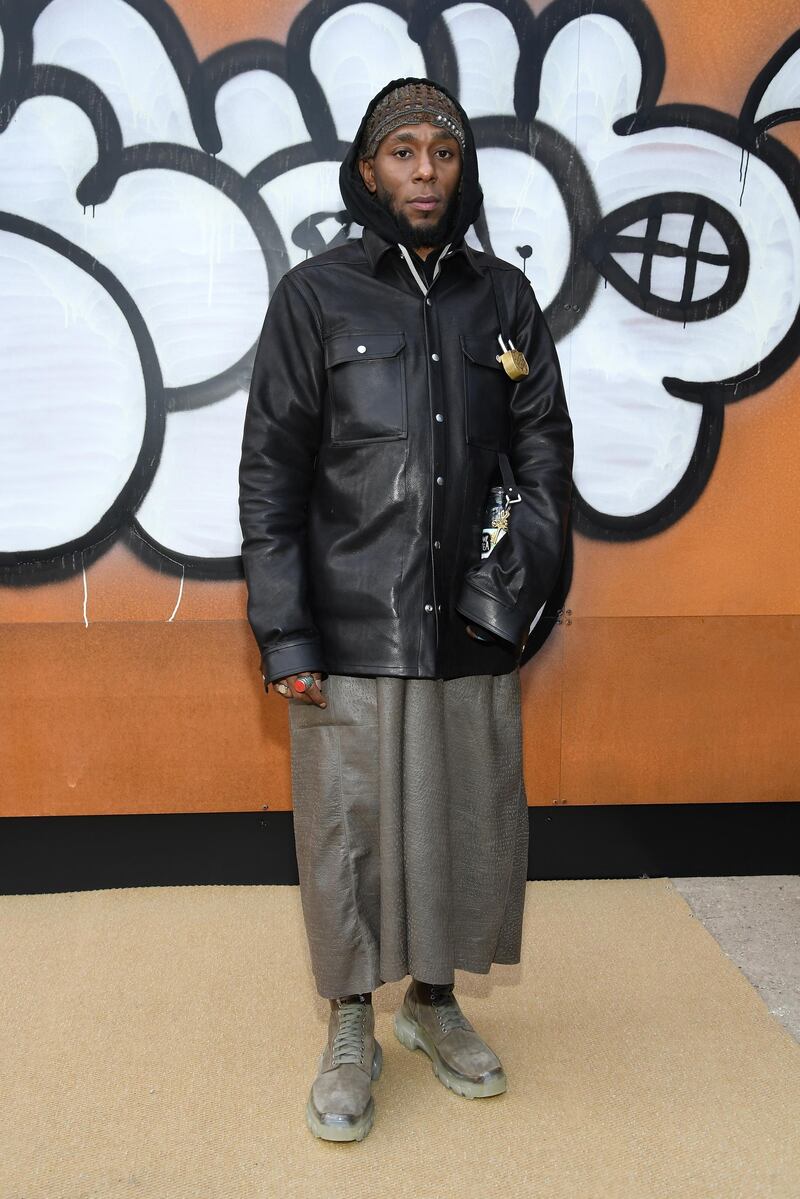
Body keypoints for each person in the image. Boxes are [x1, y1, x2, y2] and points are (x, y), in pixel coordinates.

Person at [238, 77, 574, 1142]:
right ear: (367, 168)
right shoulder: (315, 297)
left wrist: (511, 586)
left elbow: (541, 452)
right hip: (349, 622)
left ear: (458, 166)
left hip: (470, 619)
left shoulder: (502, 300)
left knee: (462, 821)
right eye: (401, 153)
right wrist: (285, 632)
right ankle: (350, 1022)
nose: (423, 172)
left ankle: (431, 1003)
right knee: (350, 831)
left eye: (440, 151)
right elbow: (270, 479)